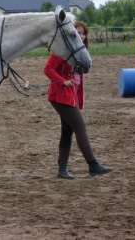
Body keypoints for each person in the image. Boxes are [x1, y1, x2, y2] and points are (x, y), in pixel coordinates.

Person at [44, 21, 112, 179]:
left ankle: (62, 169)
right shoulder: (61, 51)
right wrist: (62, 81)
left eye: (83, 33)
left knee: (67, 131)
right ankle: (93, 165)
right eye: (78, 32)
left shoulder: (78, 51)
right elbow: (47, 69)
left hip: (69, 95)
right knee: (80, 128)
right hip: (60, 95)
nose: (81, 36)